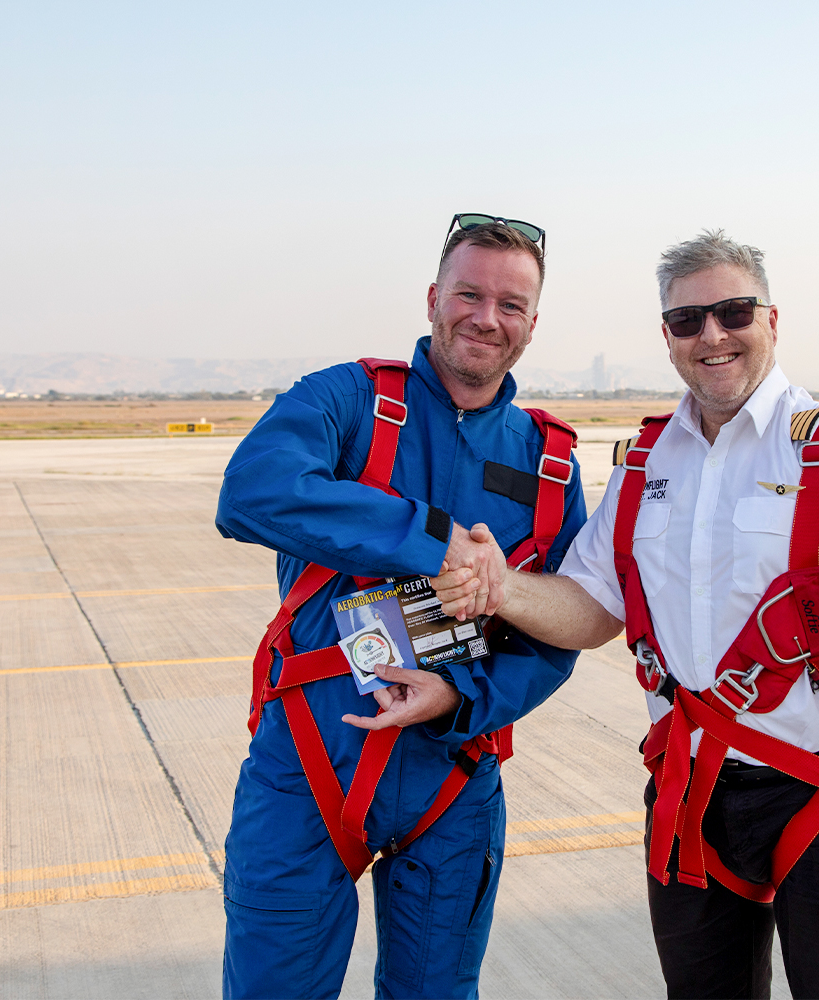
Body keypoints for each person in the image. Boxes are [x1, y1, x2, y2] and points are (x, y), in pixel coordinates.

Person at [434, 230, 819, 999]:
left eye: (732, 311)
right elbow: (590, 608)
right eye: (685, 320)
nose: (711, 335)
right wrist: (500, 588)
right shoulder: (648, 463)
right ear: (667, 337)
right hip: (692, 793)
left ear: (772, 319)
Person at [215, 215, 587, 1000]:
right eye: (470, 293)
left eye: (511, 304)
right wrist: (429, 538)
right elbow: (250, 493)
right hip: (312, 764)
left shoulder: (545, 462)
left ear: (531, 324)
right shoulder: (350, 401)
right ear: (432, 298)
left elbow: (561, 628)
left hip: (453, 775)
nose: (487, 317)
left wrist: (463, 698)